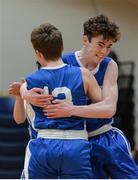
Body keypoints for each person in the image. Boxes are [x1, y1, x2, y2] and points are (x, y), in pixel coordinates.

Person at [23, 15, 138, 178]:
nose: (104, 52)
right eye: (100, 45)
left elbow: (109, 109)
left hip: (105, 136)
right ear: (85, 39)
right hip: (78, 142)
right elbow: (31, 80)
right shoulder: (64, 62)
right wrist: (25, 93)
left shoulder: (110, 65)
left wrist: (71, 110)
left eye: (109, 46)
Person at [18, 23, 105, 179]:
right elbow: (104, 105)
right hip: (76, 143)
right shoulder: (83, 74)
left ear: (38, 53)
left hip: (45, 143)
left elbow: (19, 118)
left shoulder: (30, 80)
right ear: (62, 47)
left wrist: (23, 91)